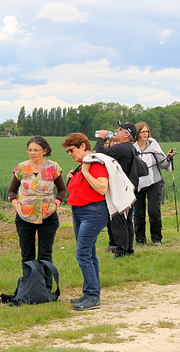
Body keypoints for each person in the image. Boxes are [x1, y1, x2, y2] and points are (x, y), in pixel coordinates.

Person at [62, 133, 109, 311]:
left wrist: (86, 173)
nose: (70, 154)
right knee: (89, 254)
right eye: (67, 151)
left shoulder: (94, 164)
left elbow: (102, 187)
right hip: (80, 212)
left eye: (71, 150)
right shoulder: (82, 166)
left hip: (93, 212)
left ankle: (92, 296)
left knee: (82, 254)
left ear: (83, 146)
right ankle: (90, 293)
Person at [8, 136, 66, 263]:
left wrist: (56, 203)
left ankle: (45, 283)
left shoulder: (53, 167)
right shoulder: (21, 167)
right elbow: (11, 191)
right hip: (25, 216)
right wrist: (16, 204)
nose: (32, 153)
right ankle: (29, 282)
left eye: (36, 150)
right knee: (27, 255)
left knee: (45, 254)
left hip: (47, 216)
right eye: (30, 150)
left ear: (44, 151)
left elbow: (62, 189)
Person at [95, 121, 138, 258]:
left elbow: (100, 152)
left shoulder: (122, 148)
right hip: (127, 189)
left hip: (119, 189)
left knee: (118, 221)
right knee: (126, 221)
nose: (117, 131)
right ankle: (128, 250)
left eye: (120, 129)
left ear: (126, 134)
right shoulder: (130, 148)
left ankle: (121, 252)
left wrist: (101, 138)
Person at [133, 122, 176, 246]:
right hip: (138, 183)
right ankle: (140, 239)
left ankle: (156, 238)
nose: (145, 134)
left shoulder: (153, 146)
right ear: (137, 134)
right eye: (142, 132)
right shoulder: (132, 148)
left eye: (147, 131)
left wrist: (168, 158)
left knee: (154, 211)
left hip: (154, 182)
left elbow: (163, 164)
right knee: (139, 212)